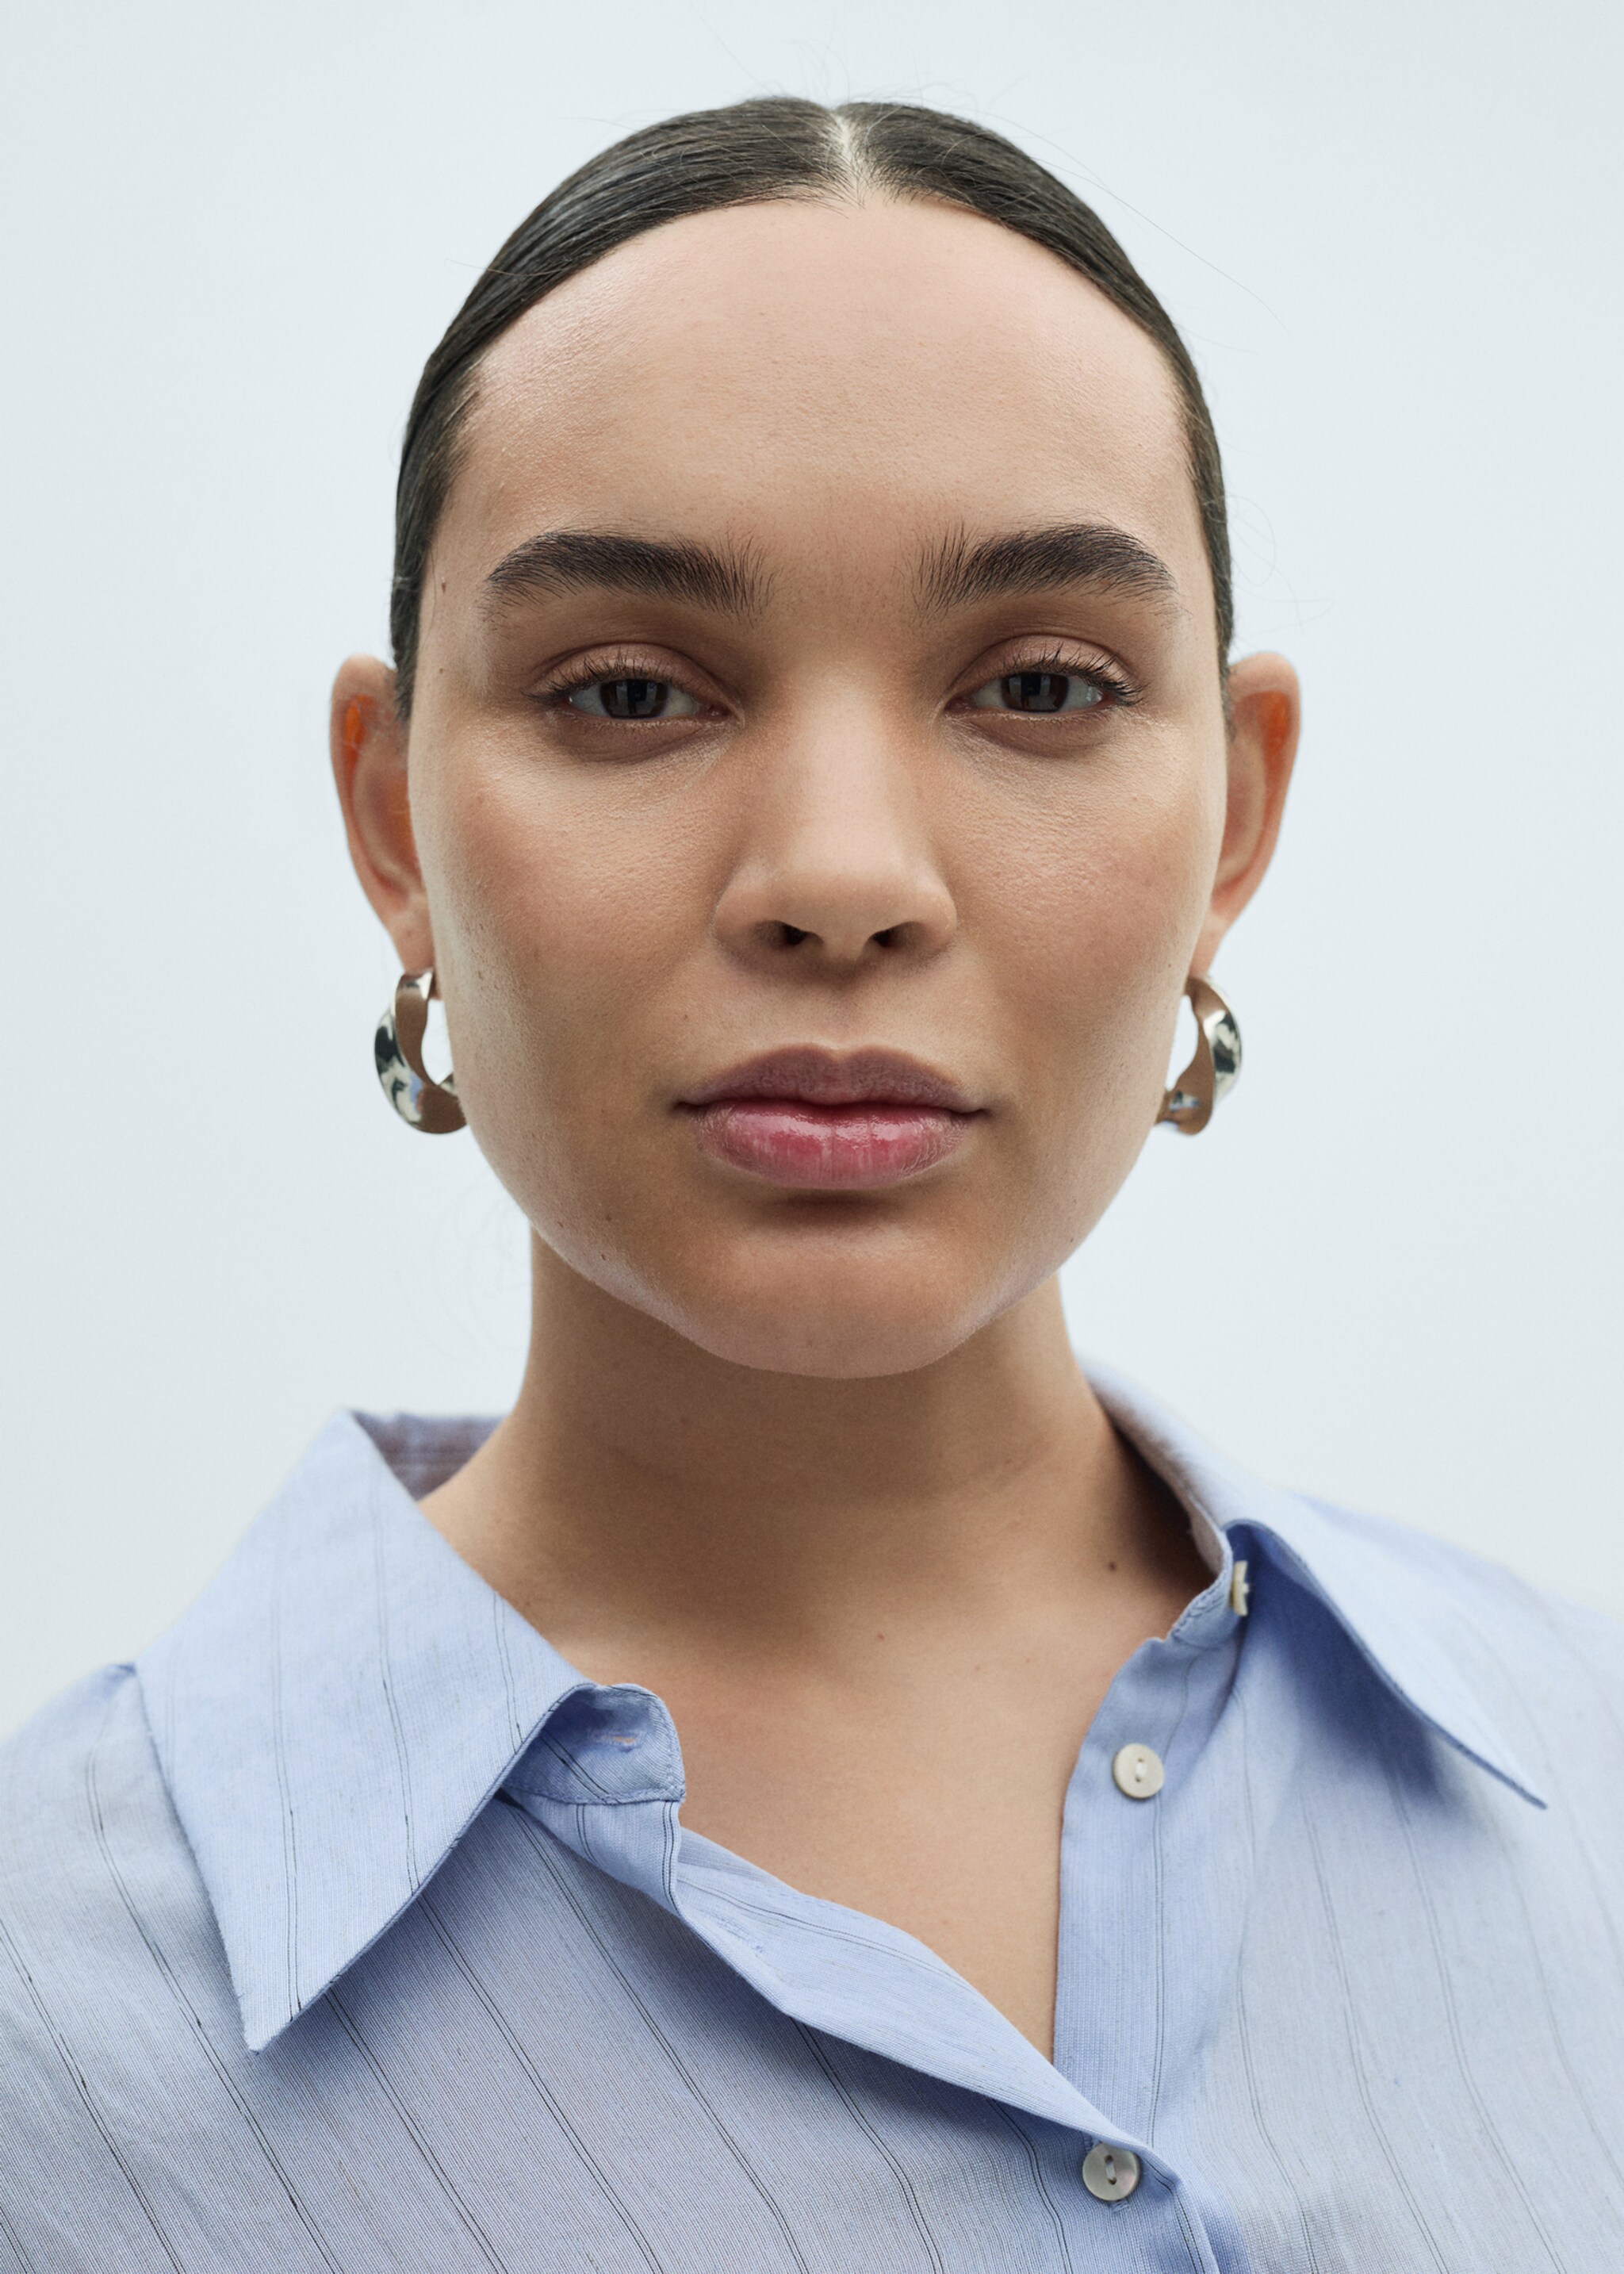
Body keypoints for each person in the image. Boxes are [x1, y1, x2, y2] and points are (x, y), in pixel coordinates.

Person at [2, 95, 1621, 2274]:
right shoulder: (49, 2021)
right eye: (629, 692)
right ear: (394, 824)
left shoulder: (1593, 1797)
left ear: (1235, 822)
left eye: (1038, 685)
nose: (842, 875)